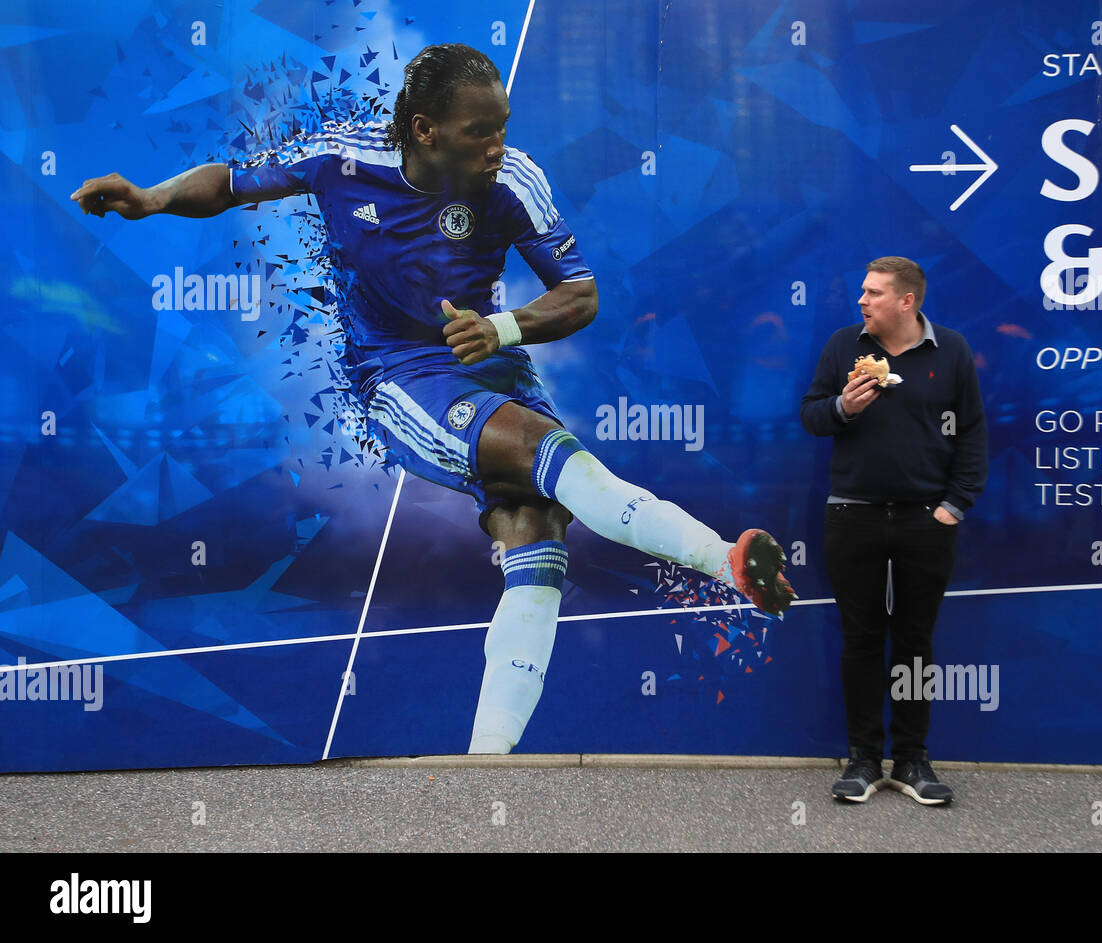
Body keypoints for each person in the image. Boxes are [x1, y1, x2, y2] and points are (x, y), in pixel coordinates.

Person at [71, 43, 794, 755]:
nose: (497, 146)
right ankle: (723, 559)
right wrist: (151, 197)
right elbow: (229, 182)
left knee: (537, 540)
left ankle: (488, 765)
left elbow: (582, 294)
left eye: (503, 127)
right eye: (481, 131)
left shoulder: (514, 180)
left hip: (490, 359)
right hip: (395, 374)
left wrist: (502, 327)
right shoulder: (345, 159)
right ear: (424, 129)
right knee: (547, 454)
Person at [800, 256, 986, 804]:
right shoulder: (843, 347)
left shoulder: (950, 351)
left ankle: (911, 760)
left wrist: (953, 506)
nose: (862, 300)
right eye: (862, 290)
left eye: (874, 292)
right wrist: (842, 407)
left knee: (913, 642)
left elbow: (972, 435)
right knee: (860, 639)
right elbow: (811, 415)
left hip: (925, 521)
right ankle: (862, 759)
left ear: (907, 301)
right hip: (851, 515)